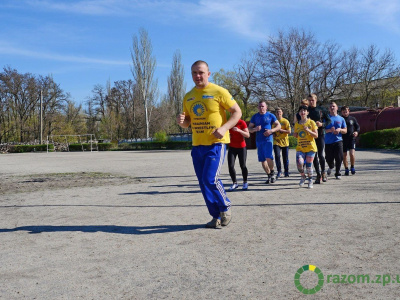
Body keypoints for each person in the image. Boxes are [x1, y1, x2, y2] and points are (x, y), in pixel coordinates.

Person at [176, 60, 242, 229]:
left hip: (216, 144)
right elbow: (187, 123)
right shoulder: (188, 96)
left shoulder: (219, 91)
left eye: (201, 72)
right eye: (194, 73)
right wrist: (181, 122)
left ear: (208, 73)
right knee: (203, 183)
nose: (197, 76)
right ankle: (215, 216)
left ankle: (225, 207)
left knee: (210, 179)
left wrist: (225, 127)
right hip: (197, 146)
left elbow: (237, 112)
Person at [248, 101, 281, 184]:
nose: (261, 108)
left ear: (266, 107)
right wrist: (255, 129)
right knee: (262, 160)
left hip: (268, 139)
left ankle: (272, 172)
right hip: (259, 140)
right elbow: (249, 129)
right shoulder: (255, 116)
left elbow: (279, 125)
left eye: (263, 106)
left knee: (268, 157)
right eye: (259, 106)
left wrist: (271, 131)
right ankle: (269, 175)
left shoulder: (270, 115)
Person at [307, 94, 331, 184]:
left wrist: (322, 124)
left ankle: (323, 172)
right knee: (314, 155)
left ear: (316, 100)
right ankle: (317, 174)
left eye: (312, 100)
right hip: (310, 135)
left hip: (320, 134)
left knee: (320, 154)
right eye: (309, 100)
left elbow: (329, 120)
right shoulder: (306, 110)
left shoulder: (322, 109)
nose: (311, 102)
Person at [293, 105, 318, 189]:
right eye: (301, 111)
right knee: (299, 163)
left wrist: (308, 130)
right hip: (300, 148)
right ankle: (303, 176)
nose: (303, 112)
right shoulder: (296, 124)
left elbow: (316, 135)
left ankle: (310, 180)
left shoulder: (311, 123)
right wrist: (295, 135)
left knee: (308, 166)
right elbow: (296, 135)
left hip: (310, 148)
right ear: (299, 113)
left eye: (304, 111)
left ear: (307, 112)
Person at [325, 101, 347, 179]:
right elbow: (322, 130)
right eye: (330, 107)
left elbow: (345, 130)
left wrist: (340, 130)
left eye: (334, 106)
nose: (332, 108)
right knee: (328, 158)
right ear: (329, 109)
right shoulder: (326, 118)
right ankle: (331, 166)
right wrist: (329, 130)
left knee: (339, 157)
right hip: (328, 142)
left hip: (338, 141)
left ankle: (338, 172)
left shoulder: (341, 119)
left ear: (337, 108)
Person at [227, 119, 250, 191]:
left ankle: (245, 182)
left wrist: (239, 130)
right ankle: (234, 183)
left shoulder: (241, 122)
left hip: (241, 147)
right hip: (232, 147)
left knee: (242, 165)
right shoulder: (229, 122)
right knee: (230, 166)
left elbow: (247, 135)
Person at [341, 106, 360, 175]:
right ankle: (346, 169)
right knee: (344, 155)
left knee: (352, 154)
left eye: (346, 112)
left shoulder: (352, 119)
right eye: (343, 112)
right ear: (341, 112)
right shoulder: (340, 119)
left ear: (348, 111)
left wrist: (356, 132)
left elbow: (357, 127)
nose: (345, 113)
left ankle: (352, 167)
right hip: (343, 139)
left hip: (351, 139)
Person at [273, 108, 291, 178]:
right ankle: (279, 171)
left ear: (282, 113)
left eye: (279, 112)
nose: (278, 113)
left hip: (285, 142)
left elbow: (289, 131)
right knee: (277, 156)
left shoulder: (285, 121)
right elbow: (272, 130)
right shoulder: (273, 122)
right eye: (277, 112)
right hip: (276, 142)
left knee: (285, 158)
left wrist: (281, 130)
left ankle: (286, 171)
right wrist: (273, 133)